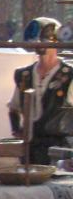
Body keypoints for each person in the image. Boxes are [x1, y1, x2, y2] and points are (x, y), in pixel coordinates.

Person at [9, 20, 73, 165]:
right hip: (30, 147)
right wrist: (17, 132)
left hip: (58, 147)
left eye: (44, 39)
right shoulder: (24, 74)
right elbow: (14, 108)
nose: (39, 44)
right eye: (36, 40)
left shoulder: (69, 75)